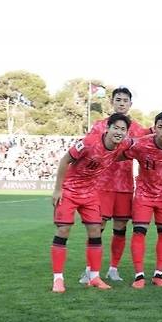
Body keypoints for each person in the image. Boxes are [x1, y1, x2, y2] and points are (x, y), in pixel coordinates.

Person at [50, 113, 133, 293]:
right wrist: (58, 189)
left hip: (90, 193)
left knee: (95, 231)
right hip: (70, 190)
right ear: (108, 128)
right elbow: (65, 160)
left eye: (123, 129)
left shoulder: (123, 145)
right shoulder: (88, 142)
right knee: (63, 230)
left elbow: (141, 142)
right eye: (116, 128)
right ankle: (58, 279)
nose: (119, 132)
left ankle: (94, 277)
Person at [79, 86, 150, 284]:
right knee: (97, 228)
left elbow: (148, 143)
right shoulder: (99, 126)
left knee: (120, 228)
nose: (121, 103)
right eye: (118, 99)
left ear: (130, 104)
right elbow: (86, 150)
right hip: (101, 185)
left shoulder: (136, 128)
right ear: (112, 102)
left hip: (125, 186)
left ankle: (113, 269)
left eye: (125, 100)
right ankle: (90, 270)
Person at [124, 112, 162, 289]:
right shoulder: (142, 144)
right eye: (160, 126)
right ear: (155, 128)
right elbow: (121, 152)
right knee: (139, 232)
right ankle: (139, 275)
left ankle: (159, 274)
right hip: (144, 195)